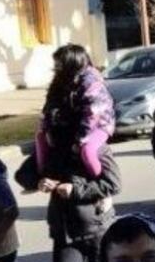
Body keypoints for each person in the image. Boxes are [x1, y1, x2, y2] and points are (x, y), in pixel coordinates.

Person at [36, 44, 115, 179]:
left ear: (71, 63)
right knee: (41, 137)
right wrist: (46, 127)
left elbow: (92, 115)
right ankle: (43, 176)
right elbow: (50, 105)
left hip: (99, 124)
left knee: (87, 150)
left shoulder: (90, 82)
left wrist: (80, 140)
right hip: (73, 121)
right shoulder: (60, 79)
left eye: (59, 63)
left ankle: (100, 183)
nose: (56, 66)